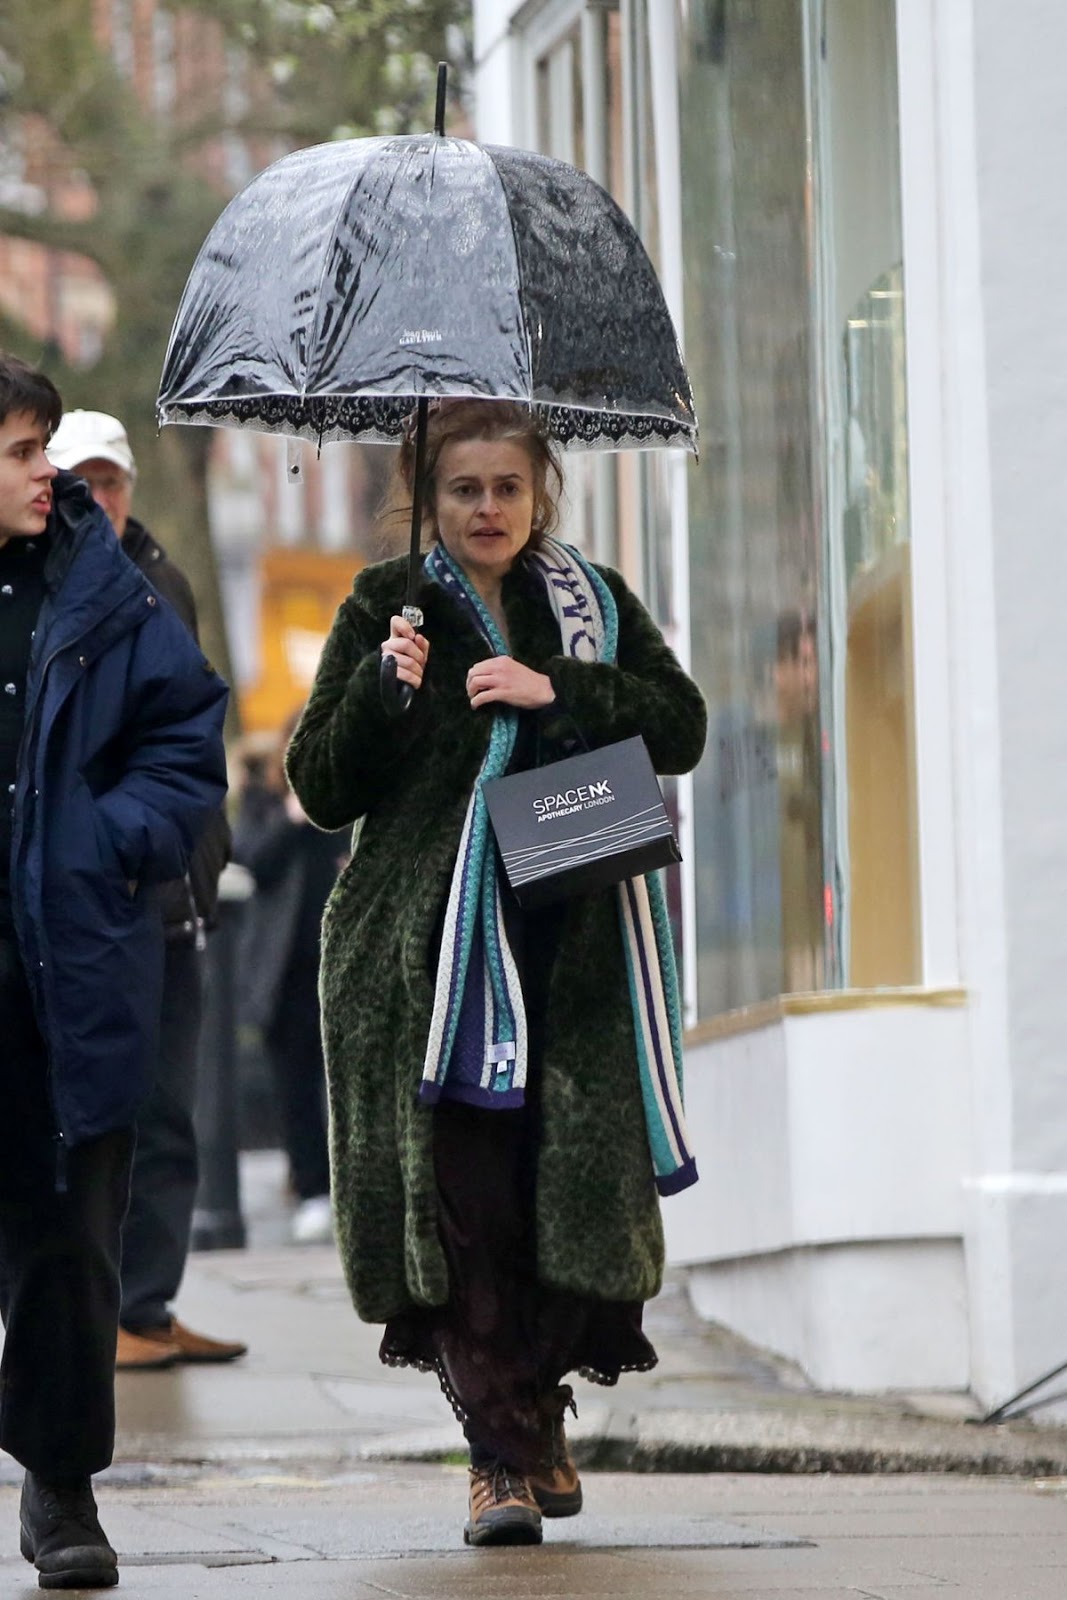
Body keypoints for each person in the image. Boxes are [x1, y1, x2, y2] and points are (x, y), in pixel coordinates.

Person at [286, 399, 707, 1547]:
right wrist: (386, 692)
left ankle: (537, 1407)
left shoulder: (591, 602)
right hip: (432, 966)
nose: (487, 510)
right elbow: (320, 783)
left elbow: (681, 725)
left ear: (539, 494)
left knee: (556, 1198)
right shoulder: (387, 606)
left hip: (571, 947)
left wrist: (554, 689)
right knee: (464, 1200)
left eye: (506, 489)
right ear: (427, 496)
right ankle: (498, 1458)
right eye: (463, 489)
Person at [0, 356, 228, 1589]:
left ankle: (61, 1486)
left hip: (75, 954)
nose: (46, 472)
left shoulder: (111, 592)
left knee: (67, 1238)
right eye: (21, 452)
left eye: (46, 448)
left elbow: (187, 748)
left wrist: (102, 842)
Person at [45, 409, 246, 1372]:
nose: (104, 498)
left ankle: (149, 1302)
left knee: (174, 1114)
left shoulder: (163, 581)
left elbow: (190, 735)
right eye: (85, 481)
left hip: (182, 897)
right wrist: (112, 847)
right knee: (105, 1116)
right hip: (107, 902)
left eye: (113, 480)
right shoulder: (54, 586)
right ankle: (110, 1312)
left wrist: (204, 853)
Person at [233, 709, 346, 1244]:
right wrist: (294, 816)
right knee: (297, 1089)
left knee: (350, 1085)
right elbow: (251, 858)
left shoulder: (350, 796)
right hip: (287, 974)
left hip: (342, 963)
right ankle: (311, 1190)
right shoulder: (265, 801)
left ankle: (355, 1191)